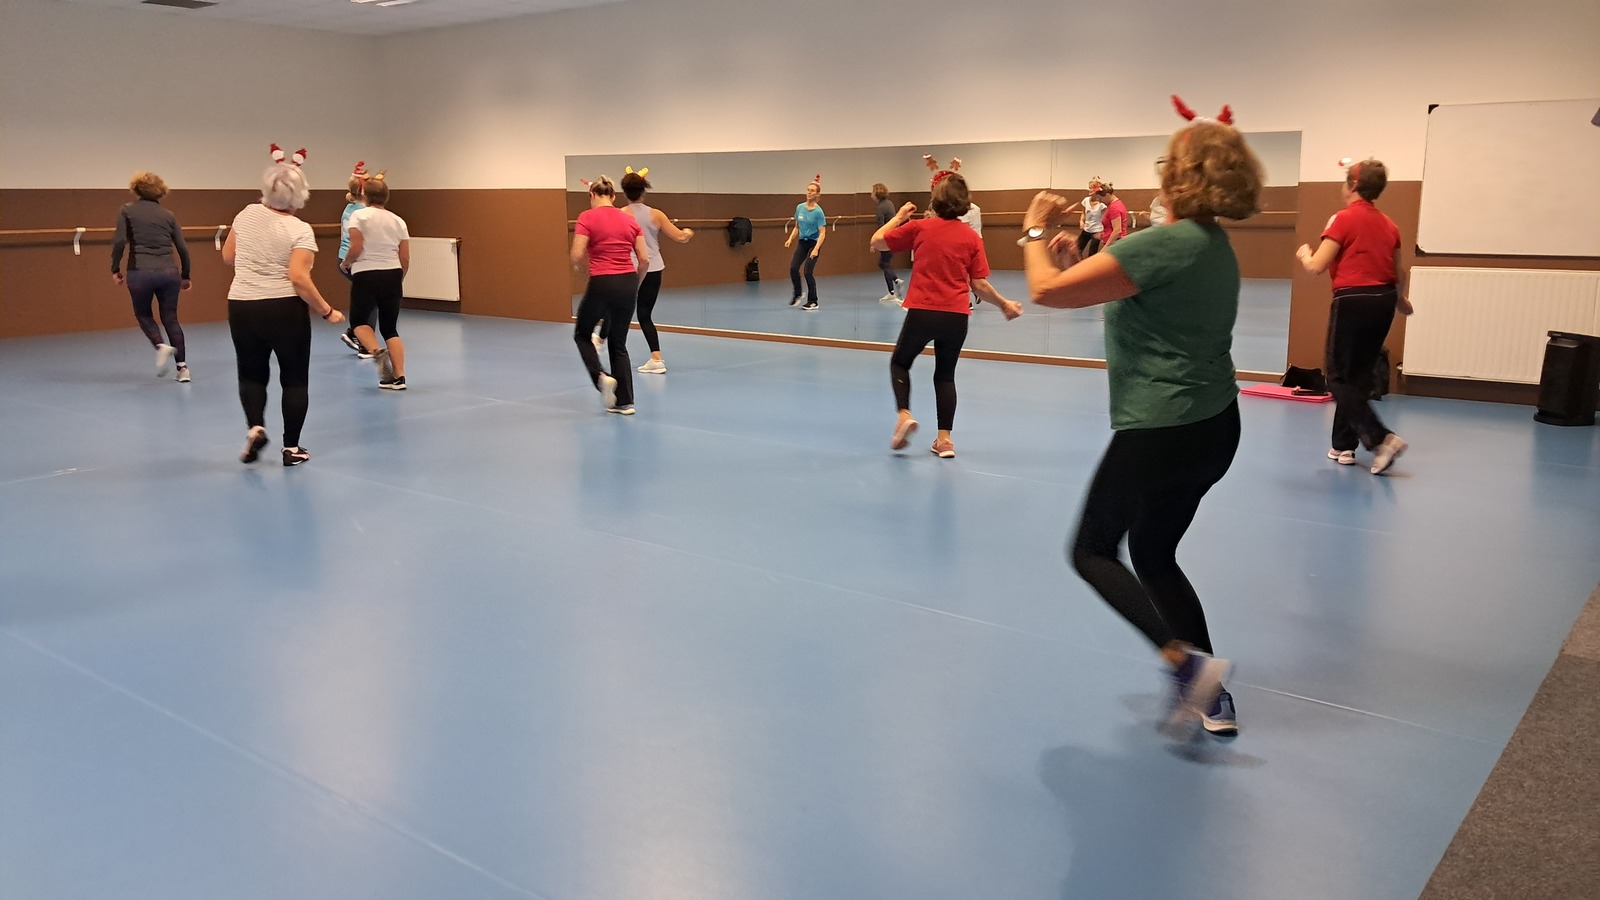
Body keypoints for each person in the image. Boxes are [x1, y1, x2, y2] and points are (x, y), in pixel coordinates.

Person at [1021, 101, 1262, 739]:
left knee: (1091, 550)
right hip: (1215, 427)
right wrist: (1074, 262)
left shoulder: (1164, 243)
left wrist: (1033, 235)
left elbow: (1045, 292)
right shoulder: (1211, 244)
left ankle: (1186, 666)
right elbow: (1118, 291)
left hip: (1161, 429)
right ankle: (1212, 696)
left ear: (1177, 175)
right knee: (1154, 552)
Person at [872, 173, 1022, 459]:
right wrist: (1004, 304)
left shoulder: (920, 227)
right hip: (956, 316)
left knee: (900, 362)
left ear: (936, 199)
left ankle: (904, 415)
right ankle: (944, 440)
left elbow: (878, 241)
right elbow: (979, 284)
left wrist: (899, 217)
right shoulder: (971, 237)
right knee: (945, 375)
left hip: (923, 312)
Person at [222, 146, 346, 466]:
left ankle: (255, 427)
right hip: (284, 309)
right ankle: (291, 448)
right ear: (300, 195)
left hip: (242, 305)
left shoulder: (245, 214)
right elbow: (299, 278)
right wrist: (326, 310)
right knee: (294, 378)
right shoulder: (299, 229)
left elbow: (228, 256)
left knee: (251, 373)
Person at [1296, 158, 1412, 474]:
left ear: (1353, 185)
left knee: (1336, 377)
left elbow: (1316, 266)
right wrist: (1400, 300)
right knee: (1357, 376)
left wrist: (1305, 253)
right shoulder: (1390, 225)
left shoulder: (1342, 219)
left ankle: (1381, 439)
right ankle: (1343, 445)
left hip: (1353, 300)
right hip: (1383, 301)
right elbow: (1398, 271)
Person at [571, 175, 648, 414]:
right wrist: (635, 283)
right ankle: (625, 402)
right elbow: (644, 259)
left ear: (592, 194)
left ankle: (601, 378)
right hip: (627, 282)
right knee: (618, 342)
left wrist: (584, 268)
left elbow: (576, 254)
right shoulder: (629, 219)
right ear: (614, 197)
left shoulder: (587, 217)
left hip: (602, 281)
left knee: (582, 334)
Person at [110, 171, 193, 382]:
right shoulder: (169, 215)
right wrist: (185, 275)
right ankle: (183, 369)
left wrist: (115, 268)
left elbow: (119, 242)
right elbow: (182, 248)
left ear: (136, 189)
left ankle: (160, 345)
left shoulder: (126, 210)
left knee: (143, 314)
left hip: (140, 272)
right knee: (171, 318)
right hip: (169, 273)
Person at [620, 168, 694, 375]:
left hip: (629, 269)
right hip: (653, 269)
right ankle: (656, 358)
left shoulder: (620, 215)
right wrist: (688, 232)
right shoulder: (656, 214)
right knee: (644, 314)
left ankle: (606, 344)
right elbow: (680, 237)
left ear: (625, 192)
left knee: (620, 310)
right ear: (643, 191)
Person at [343, 173, 411, 390]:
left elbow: (356, 247)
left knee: (359, 322)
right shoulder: (398, 220)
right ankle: (399, 377)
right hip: (392, 273)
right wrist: (400, 276)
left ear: (364, 195)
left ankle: (376, 351)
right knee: (390, 328)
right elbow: (405, 256)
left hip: (366, 273)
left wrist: (346, 263)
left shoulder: (359, 216)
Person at [337, 163, 371, 357]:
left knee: (367, 298)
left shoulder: (350, 207)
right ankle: (363, 341)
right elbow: (357, 243)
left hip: (346, 258)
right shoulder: (362, 213)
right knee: (371, 299)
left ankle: (356, 334)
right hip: (352, 260)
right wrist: (348, 263)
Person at [785, 177, 827, 310]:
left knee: (808, 272)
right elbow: (797, 227)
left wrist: (816, 249)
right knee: (793, 268)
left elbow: (823, 232)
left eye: (812, 191)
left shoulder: (818, 212)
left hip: (813, 243)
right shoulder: (800, 208)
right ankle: (798, 293)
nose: (809, 192)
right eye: (808, 190)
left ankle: (813, 301)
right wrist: (790, 239)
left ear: (817, 194)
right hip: (802, 243)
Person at [872, 183, 903, 304]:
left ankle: (892, 290)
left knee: (885, 263)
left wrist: (875, 243)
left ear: (876, 194)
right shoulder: (889, 204)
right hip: (893, 236)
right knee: (884, 263)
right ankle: (895, 280)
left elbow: (881, 226)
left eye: (872, 192)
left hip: (886, 238)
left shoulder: (880, 207)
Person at [1098, 182, 1131, 249]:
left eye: (1101, 199)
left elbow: (1117, 230)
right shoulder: (1114, 204)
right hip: (1114, 242)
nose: (1100, 202)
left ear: (1107, 195)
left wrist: (1105, 248)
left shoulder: (1114, 208)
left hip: (1115, 243)